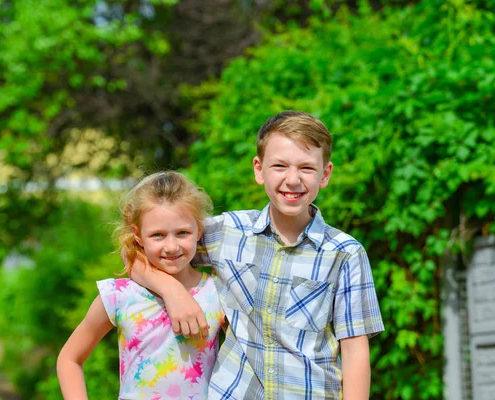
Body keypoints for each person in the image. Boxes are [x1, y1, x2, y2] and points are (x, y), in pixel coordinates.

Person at [130, 111, 385, 399]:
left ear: (325, 174)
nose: (292, 179)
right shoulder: (225, 232)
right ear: (259, 169)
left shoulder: (345, 253)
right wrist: (172, 291)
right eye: (279, 166)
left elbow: (355, 354)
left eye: (307, 168)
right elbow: (140, 256)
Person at [57, 171, 225, 400]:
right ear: (138, 235)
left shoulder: (218, 293)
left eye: (182, 232)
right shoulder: (119, 296)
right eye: (158, 235)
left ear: (199, 230)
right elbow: (69, 359)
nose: (171, 246)